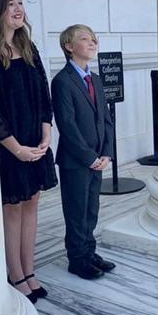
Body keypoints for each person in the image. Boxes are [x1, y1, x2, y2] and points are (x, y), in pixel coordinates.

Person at [0, 0, 58, 304]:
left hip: (35, 143)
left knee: (32, 205)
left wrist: (46, 133)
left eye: (20, 2)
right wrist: (16, 147)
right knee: (12, 210)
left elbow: (44, 94)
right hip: (8, 148)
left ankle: (29, 271)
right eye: (10, 4)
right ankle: (14, 275)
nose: (18, 9)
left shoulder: (29, 48)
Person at [51, 24, 115, 280]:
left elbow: (106, 119)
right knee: (77, 211)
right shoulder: (62, 81)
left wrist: (106, 154)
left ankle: (89, 252)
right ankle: (77, 259)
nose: (92, 42)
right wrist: (89, 157)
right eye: (84, 39)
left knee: (92, 209)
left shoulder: (95, 79)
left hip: (98, 159)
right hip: (76, 161)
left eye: (94, 39)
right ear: (69, 46)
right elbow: (66, 125)